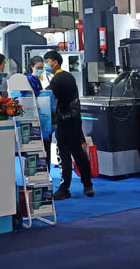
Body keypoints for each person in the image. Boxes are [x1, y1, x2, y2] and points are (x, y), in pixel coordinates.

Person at [44, 50, 94, 200]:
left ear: (55, 62)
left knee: (64, 154)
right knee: (78, 152)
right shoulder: (69, 76)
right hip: (75, 120)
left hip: (63, 121)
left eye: (47, 62)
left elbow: (50, 99)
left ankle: (64, 188)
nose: (46, 65)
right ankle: (88, 185)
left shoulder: (57, 80)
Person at [26, 55, 53, 162]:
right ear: (32, 67)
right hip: (34, 115)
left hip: (43, 115)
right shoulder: (29, 79)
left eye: (42, 68)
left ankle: (46, 169)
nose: (40, 70)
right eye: (38, 68)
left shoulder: (40, 78)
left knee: (45, 147)